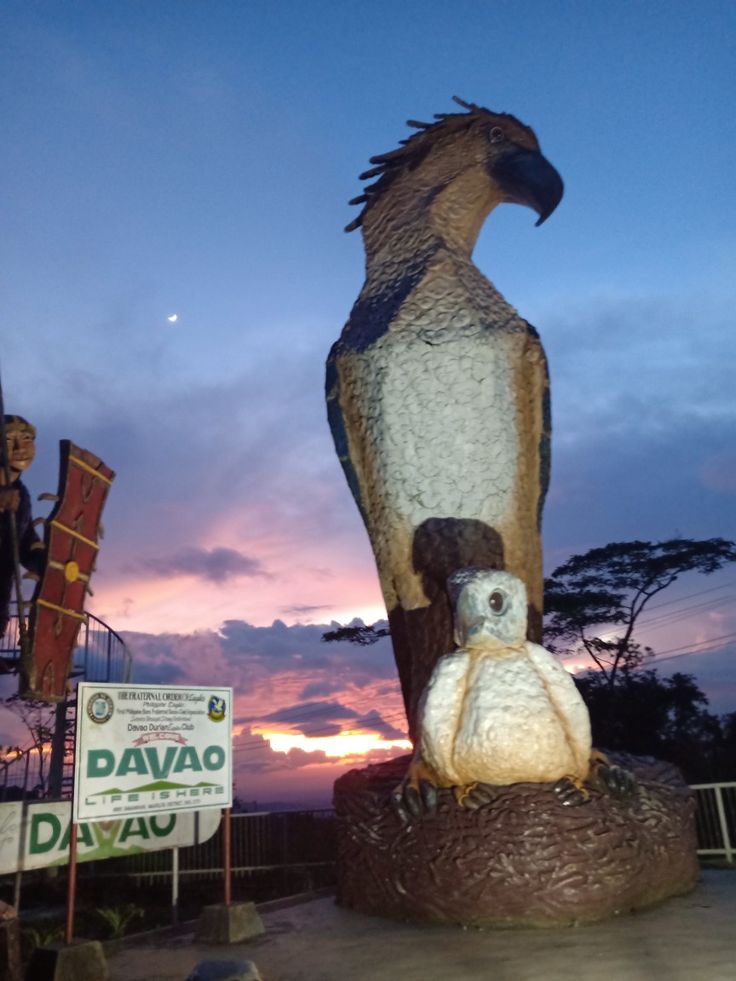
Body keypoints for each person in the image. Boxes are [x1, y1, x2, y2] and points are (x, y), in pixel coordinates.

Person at [0, 416, 45, 640]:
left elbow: (25, 538)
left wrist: (41, 558)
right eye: (9, 439)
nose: (20, 448)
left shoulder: (22, 495)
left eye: (27, 439)